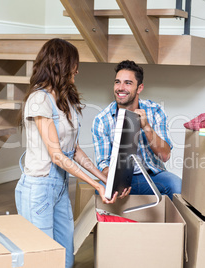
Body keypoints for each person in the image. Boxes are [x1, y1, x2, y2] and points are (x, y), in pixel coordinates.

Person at [14, 39, 126, 268]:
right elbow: (56, 155)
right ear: (60, 65)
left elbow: (72, 149)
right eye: (74, 63)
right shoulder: (38, 100)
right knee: (42, 260)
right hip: (39, 189)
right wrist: (96, 186)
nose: (77, 69)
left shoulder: (65, 99)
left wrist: (103, 177)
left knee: (66, 259)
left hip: (60, 187)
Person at [92, 60, 182, 200]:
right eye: (117, 82)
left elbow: (165, 156)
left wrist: (146, 127)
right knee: (101, 192)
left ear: (139, 88)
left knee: (177, 186)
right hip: (122, 180)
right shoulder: (102, 120)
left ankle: (176, 222)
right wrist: (114, 181)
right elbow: (104, 165)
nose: (121, 88)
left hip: (153, 176)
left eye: (128, 83)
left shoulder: (155, 110)